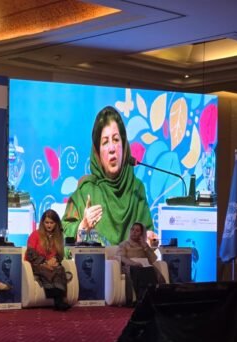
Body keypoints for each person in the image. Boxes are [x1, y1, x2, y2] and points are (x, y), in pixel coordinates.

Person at [62, 106, 155, 247]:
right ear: (97, 153)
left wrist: (149, 240)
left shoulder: (137, 189)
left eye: (116, 140)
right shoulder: (85, 192)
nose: (112, 149)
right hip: (95, 261)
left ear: (124, 145)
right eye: (105, 142)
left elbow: (148, 235)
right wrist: (83, 227)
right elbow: (62, 239)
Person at [25, 209, 71, 311]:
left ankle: (59, 300)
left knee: (59, 269)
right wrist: (44, 262)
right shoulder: (35, 234)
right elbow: (30, 253)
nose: (49, 225)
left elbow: (60, 254)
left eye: (51, 223)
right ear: (42, 223)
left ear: (56, 223)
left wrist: (55, 259)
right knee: (48, 270)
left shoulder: (58, 236)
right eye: (46, 222)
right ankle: (59, 300)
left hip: (51, 264)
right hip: (36, 263)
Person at [116, 222, 165, 306]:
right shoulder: (124, 244)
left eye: (137, 231)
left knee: (151, 270)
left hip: (145, 267)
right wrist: (133, 263)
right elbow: (121, 257)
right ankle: (140, 299)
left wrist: (145, 247)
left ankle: (154, 298)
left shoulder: (144, 245)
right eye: (132, 229)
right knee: (138, 271)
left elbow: (153, 259)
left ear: (142, 234)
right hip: (130, 266)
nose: (134, 232)